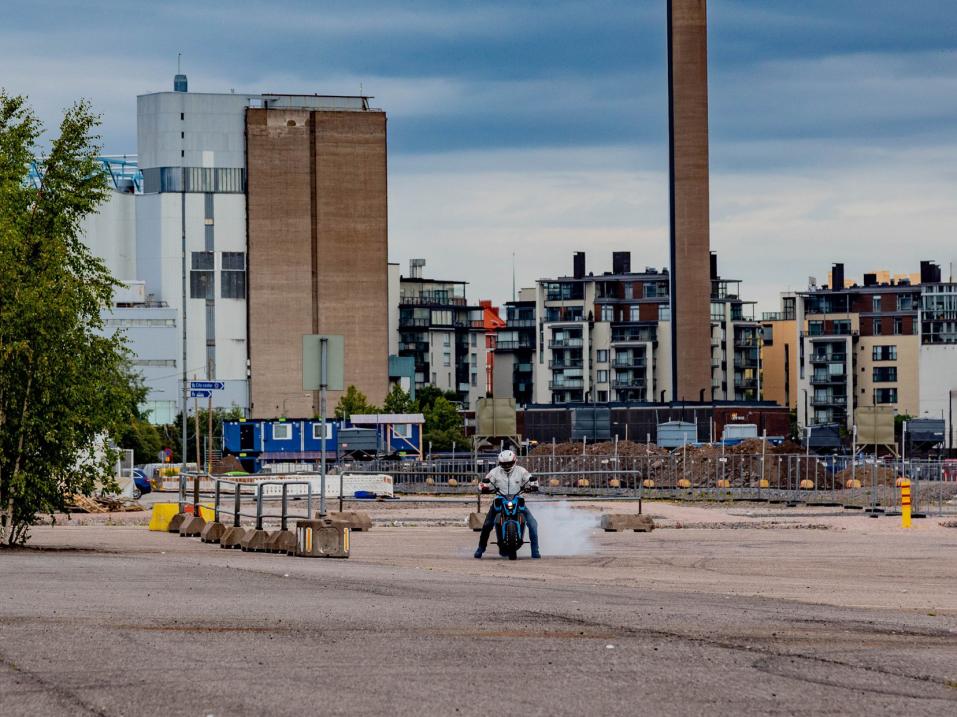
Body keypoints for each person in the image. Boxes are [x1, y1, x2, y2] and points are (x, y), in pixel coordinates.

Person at [474, 449, 540, 559]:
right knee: (487, 525)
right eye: (504, 464)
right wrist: (483, 487)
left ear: (514, 461)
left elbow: (530, 478)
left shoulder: (521, 471)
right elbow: (484, 482)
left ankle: (535, 550)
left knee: (533, 523)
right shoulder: (494, 472)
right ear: (500, 463)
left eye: (509, 463)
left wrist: (534, 485)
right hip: (500, 499)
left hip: (518, 498)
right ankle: (481, 548)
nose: (507, 465)